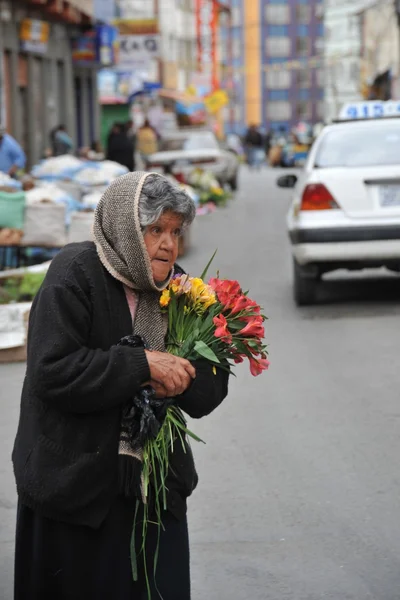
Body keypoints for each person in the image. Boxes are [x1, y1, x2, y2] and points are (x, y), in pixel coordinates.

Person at [12, 171, 229, 600]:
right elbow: (52, 371)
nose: (169, 243)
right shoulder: (75, 273)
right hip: (76, 490)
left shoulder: (183, 290)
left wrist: (180, 380)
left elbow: (210, 387)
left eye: (175, 231)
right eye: (155, 230)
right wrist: (142, 365)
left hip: (152, 490)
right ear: (126, 230)